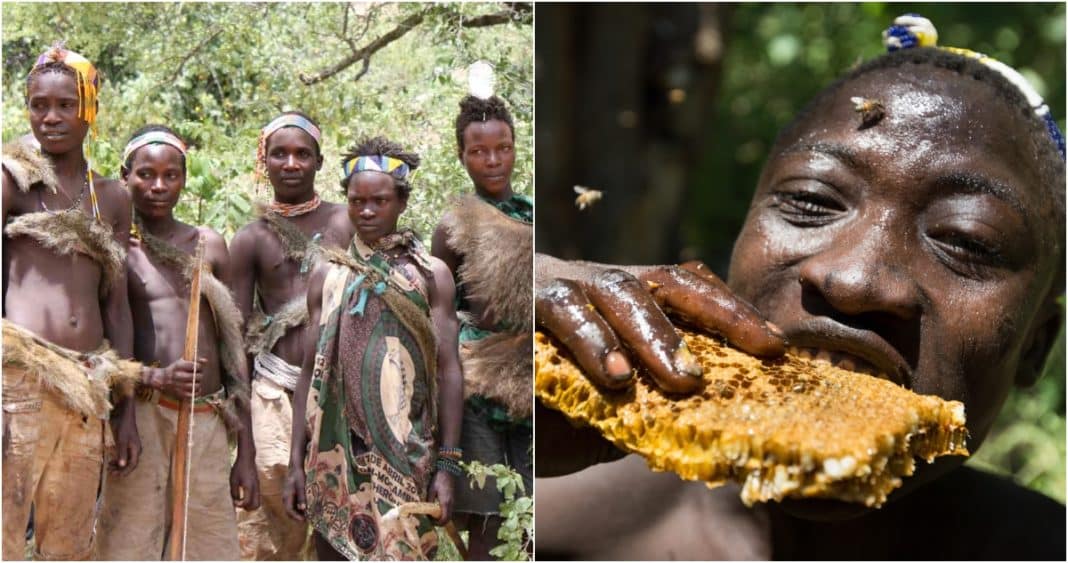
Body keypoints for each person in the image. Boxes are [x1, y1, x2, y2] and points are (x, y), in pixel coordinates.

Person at [534, 14, 1065, 560]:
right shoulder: (546, 512)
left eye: (966, 240)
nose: (854, 281)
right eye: (811, 201)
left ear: (1036, 346)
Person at [282, 136, 464, 560]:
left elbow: (448, 370)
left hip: (408, 455)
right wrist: (296, 462)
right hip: (333, 459)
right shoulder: (328, 275)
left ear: (401, 203)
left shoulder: (429, 276)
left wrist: (448, 466)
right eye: (356, 200)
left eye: (379, 201)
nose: (366, 211)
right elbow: (310, 371)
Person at [1, 43, 141, 560]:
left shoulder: (112, 197)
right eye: (39, 105)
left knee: (69, 537)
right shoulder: (12, 179)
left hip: (86, 386)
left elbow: (118, 307)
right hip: (20, 379)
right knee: (5, 530)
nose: (50, 117)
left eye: (65, 105)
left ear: (90, 109)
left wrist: (123, 413)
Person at [94, 125, 260, 560]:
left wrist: (245, 452)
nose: (158, 186)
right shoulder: (118, 250)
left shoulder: (208, 245)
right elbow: (110, 338)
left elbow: (235, 349)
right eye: (146, 175)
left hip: (206, 419)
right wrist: (125, 416)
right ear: (125, 176)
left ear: (185, 180)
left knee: (205, 545)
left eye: (171, 176)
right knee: (130, 541)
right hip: (145, 411)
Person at [230, 111, 353, 560]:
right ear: (265, 163)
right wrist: (243, 447)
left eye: (303, 154)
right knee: (271, 522)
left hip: (341, 391)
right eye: (279, 154)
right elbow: (238, 341)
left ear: (320, 162)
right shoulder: (251, 239)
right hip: (274, 392)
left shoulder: (348, 221)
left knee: (340, 514)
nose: (291, 163)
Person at [431, 93, 533, 560]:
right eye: (478, 151)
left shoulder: (533, 216)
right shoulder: (453, 223)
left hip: (533, 375)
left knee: (534, 513)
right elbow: (443, 314)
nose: (493, 160)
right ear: (462, 156)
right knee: (489, 522)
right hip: (477, 382)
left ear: (516, 147)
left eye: (503, 147)